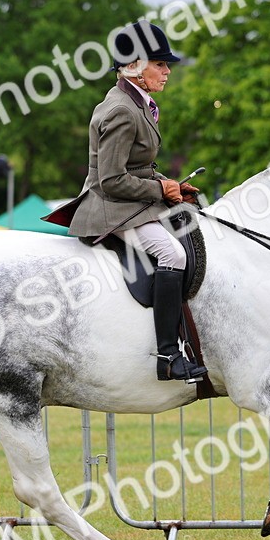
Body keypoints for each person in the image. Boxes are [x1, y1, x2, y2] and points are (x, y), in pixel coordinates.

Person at [65, 21, 206, 382]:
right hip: (111, 208)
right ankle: (168, 355)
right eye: (159, 64)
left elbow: (138, 167)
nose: (167, 70)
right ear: (134, 67)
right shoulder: (121, 111)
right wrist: (161, 191)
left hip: (130, 201)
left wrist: (170, 184)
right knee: (172, 254)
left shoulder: (135, 103)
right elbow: (111, 180)